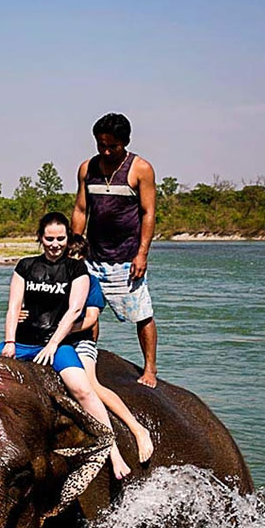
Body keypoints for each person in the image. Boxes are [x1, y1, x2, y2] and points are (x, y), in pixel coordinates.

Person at [0, 213, 130, 480]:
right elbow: (13, 307)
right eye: (49, 239)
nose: (55, 244)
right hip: (23, 341)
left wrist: (53, 344)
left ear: (67, 239)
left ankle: (112, 450)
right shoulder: (25, 266)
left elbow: (75, 310)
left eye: (60, 238)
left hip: (58, 344)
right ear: (40, 238)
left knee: (82, 388)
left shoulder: (76, 269)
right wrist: (10, 342)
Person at [72, 112, 160, 387]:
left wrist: (142, 253)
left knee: (141, 314)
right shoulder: (87, 168)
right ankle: (87, 362)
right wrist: (73, 248)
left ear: (125, 142)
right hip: (92, 257)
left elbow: (148, 213)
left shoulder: (140, 169)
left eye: (113, 146)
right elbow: (80, 209)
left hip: (126, 258)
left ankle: (150, 369)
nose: (106, 151)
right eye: (101, 145)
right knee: (88, 311)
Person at [63, 233, 155, 463]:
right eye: (69, 256)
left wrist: (59, 330)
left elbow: (91, 319)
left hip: (78, 340)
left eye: (79, 257)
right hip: (51, 341)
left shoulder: (90, 283)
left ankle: (137, 429)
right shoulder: (51, 278)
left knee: (91, 385)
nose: (74, 261)